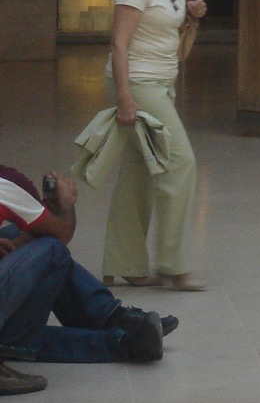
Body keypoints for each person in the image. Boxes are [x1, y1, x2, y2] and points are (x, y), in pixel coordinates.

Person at [103, 0, 206, 292]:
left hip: (162, 82)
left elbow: (177, 47)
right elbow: (119, 44)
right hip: (140, 85)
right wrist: (125, 96)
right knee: (181, 165)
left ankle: (124, 262)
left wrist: (192, 20)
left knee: (140, 173)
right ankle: (173, 263)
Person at [1, 164, 177, 394]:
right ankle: (119, 333)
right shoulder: (7, 183)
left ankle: (121, 330)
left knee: (21, 237)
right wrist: (65, 205)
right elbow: (60, 233)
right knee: (52, 250)